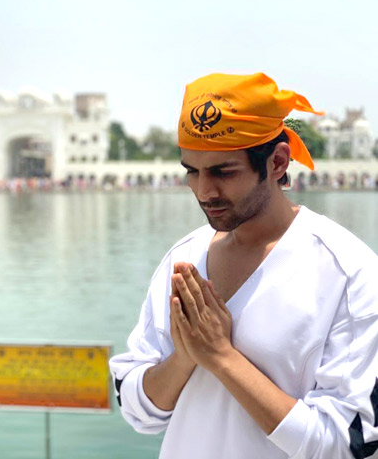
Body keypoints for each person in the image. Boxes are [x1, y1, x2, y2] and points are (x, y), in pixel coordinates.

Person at [109, 72, 378, 459]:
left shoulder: (346, 273)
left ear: (277, 162)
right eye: (192, 171)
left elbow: (344, 444)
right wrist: (187, 355)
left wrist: (222, 357)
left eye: (223, 172)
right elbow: (138, 413)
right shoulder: (183, 260)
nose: (204, 191)